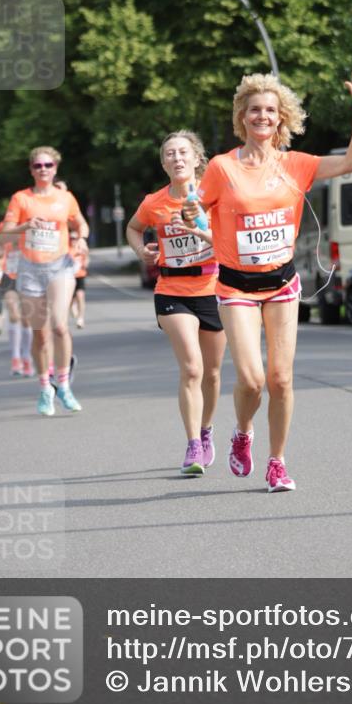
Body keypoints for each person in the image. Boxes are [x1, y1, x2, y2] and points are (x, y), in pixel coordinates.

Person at [185, 70, 352, 492]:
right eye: (255, 110)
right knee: (252, 380)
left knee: (281, 379)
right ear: (242, 116)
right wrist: (189, 217)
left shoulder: (296, 164)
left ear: (282, 117)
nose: (263, 116)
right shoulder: (221, 167)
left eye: (271, 110)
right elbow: (195, 207)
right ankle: (241, 431)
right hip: (236, 285)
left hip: (282, 285)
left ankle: (277, 462)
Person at [126, 130, 226, 476]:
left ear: (198, 158)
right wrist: (142, 252)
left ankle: (206, 430)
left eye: (183, 152)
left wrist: (198, 225)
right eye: (170, 153)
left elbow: (228, 236)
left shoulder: (215, 196)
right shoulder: (154, 202)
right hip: (172, 288)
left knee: (212, 373)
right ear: (163, 162)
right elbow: (133, 228)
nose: (177, 158)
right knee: (193, 368)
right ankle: (193, 445)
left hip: (213, 286)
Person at [0, 146, 89, 416]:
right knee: (40, 332)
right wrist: (25, 226)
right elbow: (4, 234)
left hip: (60, 267)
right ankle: (45, 389)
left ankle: (63, 384)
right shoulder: (21, 199)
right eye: (38, 166)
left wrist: (82, 238)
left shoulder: (66, 198)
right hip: (30, 269)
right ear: (31, 169)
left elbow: (80, 224)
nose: (43, 170)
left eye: (48, 165)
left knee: (60, 326)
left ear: (55, 168)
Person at [0, 219, 34, 377]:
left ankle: (27, 357)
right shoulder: (5, 225)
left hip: (28, 276)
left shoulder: (32, 223)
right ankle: (15, 358)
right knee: (14, 315)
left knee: (26, 319)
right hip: (9, 276)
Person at [69, 229, 89, 328]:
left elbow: (86, 259)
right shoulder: (66, 249)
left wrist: (85, 263)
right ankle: (72, 305)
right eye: (71, 238)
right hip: (69, 277)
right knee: (71, 299)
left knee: (80, 295)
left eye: (75, 238)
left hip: (80, 275)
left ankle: (81, 318)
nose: (73, 240)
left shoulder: (81, 248)